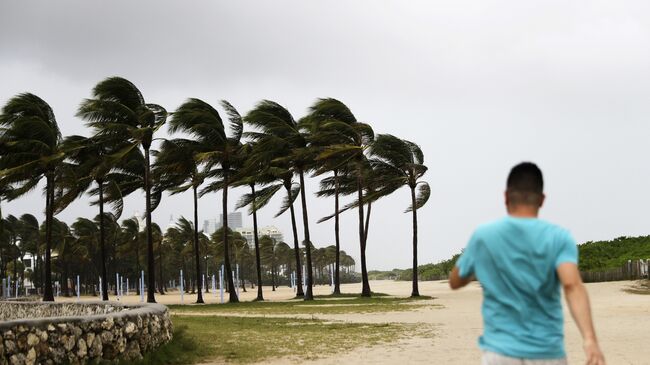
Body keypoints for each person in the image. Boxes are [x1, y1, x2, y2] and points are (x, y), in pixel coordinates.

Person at [449, 162, 605, 365]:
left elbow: (455, 280)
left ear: (506, 196)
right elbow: (572, 285)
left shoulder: (484, 236)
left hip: (499, 353)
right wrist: (589, 339)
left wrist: (477, 269)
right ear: (542, 200)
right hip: (547, 353)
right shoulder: (559, 237)